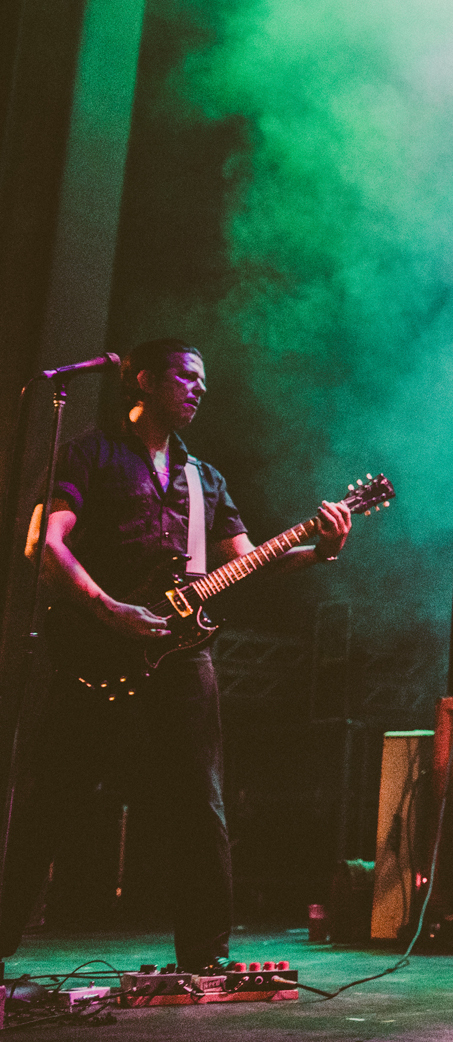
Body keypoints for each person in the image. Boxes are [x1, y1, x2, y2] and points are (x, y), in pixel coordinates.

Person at [1, 338, 352, 972]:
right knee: (49, 801)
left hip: (180, 656)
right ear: (144, 379)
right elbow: (43, 545)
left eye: (204, 381)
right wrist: (110, 609)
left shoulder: (203, 477)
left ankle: (205, 960)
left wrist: (319, 549)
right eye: (188, 376)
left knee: (200, 805)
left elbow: (246, 564)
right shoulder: (90, 452)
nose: (200, 389)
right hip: (96, 647)